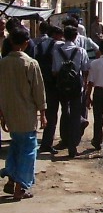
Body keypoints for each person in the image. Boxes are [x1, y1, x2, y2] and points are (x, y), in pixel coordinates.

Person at [0, 27, 46, 200]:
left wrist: (2, 113)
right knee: (28, 150)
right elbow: (38, 91)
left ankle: (11, 180)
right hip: (26, 114)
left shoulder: (3, 63)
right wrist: (43, 113)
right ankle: (20, 187)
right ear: (26, 43)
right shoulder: (30, 64)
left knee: (16, 146)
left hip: (10, 113)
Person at [52, 25, 89, 158]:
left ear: (64, 36)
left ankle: (65, 139)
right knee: (75, 114)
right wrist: (83, 85)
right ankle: (72, 147)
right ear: (75, 37)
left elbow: (55, 71)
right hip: (76, 88)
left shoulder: (57, 51)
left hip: (62, 87)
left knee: (64, 112)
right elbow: (85, 69)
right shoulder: (80, 51)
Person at [37, 25, 63, 155]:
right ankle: (47, 143)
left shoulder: (39, 45)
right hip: (53, 83)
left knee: (45, 111)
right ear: (56, 35)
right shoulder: (58, 46)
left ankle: (45, 142)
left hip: (40, 81)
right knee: (52, 114)